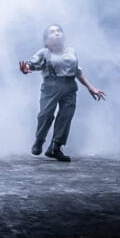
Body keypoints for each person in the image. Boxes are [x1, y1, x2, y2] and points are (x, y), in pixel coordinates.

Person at [19, 24, 105, 163]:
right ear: (46, 40)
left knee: (66, 117)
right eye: (52, 32)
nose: (57, 33)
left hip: (70, 86)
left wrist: (91, 87)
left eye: (59, 31)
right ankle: (40, 139)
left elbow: (77, 71)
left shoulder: (71, 51)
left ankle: (55, 147)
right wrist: (26, 68)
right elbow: (33, 63)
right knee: (46, 115)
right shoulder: (44, 52)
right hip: (51, 86)